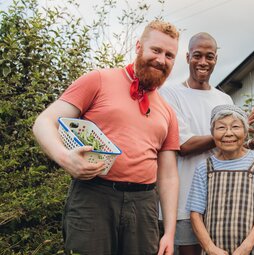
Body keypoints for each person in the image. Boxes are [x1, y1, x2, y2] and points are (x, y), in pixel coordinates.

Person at [33, 20, 180, 255]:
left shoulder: (168, 111)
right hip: (94, 196)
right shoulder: (98, 80)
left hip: (143, 206)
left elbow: (169, 176)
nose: (161, 60)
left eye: (170, 55)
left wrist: (170, 233)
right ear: (138, 46)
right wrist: (65, 158)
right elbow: (44, 122)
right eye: (156, 50)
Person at [159, 32, 254, 254]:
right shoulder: (170, 94)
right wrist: (234, 130)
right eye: (197, 55)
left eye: (210, 56)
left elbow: (231, 151)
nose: (203, 62)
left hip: (219, 203)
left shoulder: (224, 99)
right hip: (184, 203)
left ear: (216, 59)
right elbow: (183, 146)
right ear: (187, 57)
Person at [187, 104, 254, 254]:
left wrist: (245, 247)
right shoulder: (204, 167)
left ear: (245, 133)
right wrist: (210, 248)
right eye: (221, 128)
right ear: (212, 134)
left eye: (235, 127)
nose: (228, 133)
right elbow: (195, 215)